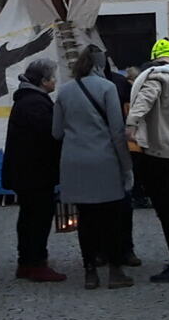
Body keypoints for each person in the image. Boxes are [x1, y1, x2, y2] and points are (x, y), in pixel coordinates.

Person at [52, 46, 137, 290]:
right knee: (112, 218)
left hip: (74, 161)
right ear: (100, 65)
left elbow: (56, 132)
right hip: (104, 160)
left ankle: (90, 272)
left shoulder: (64, 91)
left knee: (86, 220)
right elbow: (117, 132)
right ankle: (115, 271)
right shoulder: (108, 88)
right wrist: (127, 167)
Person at [127, 37, 169, 282]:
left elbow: (145, 100)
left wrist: (131, 123)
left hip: (160, 152)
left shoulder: (156, 77)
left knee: (167, 210)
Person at [3, 58, 66, 283]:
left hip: (27, 171)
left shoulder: (28, 100)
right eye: (52, 78)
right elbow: (49, 135)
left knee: (29, 216)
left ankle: (27, 262)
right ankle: (36, 262)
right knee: (38, 218)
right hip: (35, 171)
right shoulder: (35, 104)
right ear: (43, 81)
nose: (55, 82)